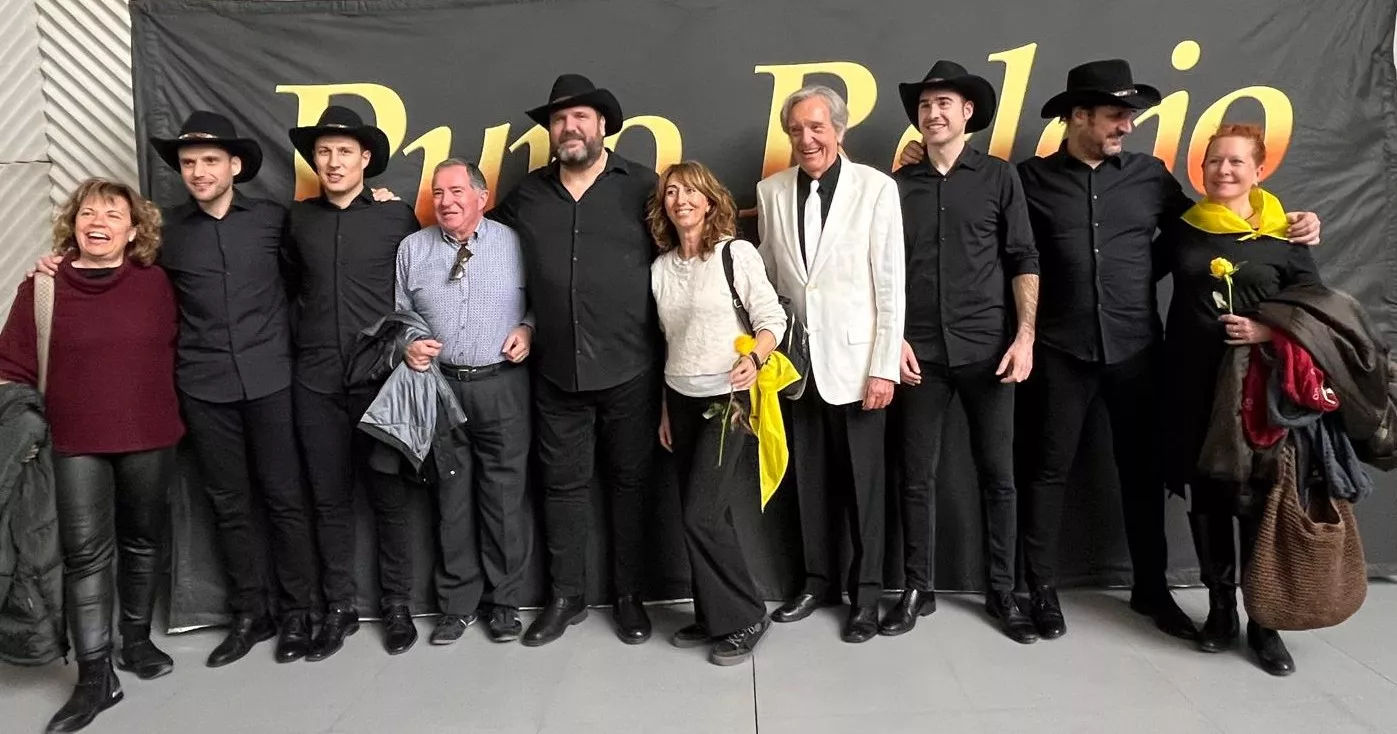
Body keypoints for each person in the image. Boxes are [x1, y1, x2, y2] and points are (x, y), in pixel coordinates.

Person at [898, 58, 1320, 641]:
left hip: (1137, 350)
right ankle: (1038, 589)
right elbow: (979, 210)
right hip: (1058, 350)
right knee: (1044, 474)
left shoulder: (1150, 177)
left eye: (1129, 116)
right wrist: (922, 163)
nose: (1127, 125)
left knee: (1143, 475)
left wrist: (1290, 220)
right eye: (1117, 115)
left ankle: (1151, 589)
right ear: (1078, 117)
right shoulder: (1028, 179)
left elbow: (1210, 230)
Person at [0, 178, 182, 733]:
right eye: (87, 212)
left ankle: (135, 640)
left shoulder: (155, 284)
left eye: (112, 213)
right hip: (75, 439)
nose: (97, 221)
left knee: (144, 541)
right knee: (85, 555)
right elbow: (11, 367)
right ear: (73, 223)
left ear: (133, 230)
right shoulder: (44, 287)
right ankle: (95, 675)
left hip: (150, 434)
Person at [490, 74, 661, 647]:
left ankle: (631, 597)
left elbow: (686, 261)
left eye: (580, 117)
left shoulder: (643, 187)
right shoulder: (526, 197)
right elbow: (491, 260)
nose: (569, 127)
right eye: (559, 120)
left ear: (603, 125)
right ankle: (566, 597)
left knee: (629, 484)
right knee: (562, 487)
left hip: (631, 367)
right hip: (557, 371)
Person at [147, 111, 319, 666]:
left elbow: (300, 280)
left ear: (235, 166)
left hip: (271, 378)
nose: (197, 172)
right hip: (203, 385)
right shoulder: (166, 233)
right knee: (228, 504)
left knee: (284, 499)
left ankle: (298, 614)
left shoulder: (272, 221)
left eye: (209, 161)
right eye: (189, 163)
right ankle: (251, 613)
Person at [884, 61, 1040, 644]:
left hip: (989, 351)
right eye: (925, 106)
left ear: (967, 112)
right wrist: (891, 336)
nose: (934, 113)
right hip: (920, 354)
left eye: (944, 103)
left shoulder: (999, 178)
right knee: (915, 478)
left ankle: (1003, 591)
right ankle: (916, 588)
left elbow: (1024, 258)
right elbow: (883, 271)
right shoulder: (896, 187)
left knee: (999, 478)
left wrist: (1025, 337)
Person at [1160, 124, 1320, 676]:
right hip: (1191, 383)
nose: (1223, 171)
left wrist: (1265, 333)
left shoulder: (1285, 237)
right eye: (1213, 162)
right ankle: (1221, 611)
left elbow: (1316, 314)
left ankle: (1264, 622)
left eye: (1235, 162)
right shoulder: (1183, 229)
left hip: (1259, 390)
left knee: (1257, 500)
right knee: (1207, 494)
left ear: (1259, 170)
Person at [759, 85, 905, 643]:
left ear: (839, 132)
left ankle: (866, 596)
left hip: (858, 363)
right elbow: (773, 281)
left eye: (816, 128)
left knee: (864, 489)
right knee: (810, 485)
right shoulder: (770, 191)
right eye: (796, 130)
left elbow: (890, 283)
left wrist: (884, 365)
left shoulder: (875, 189)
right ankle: (817, 582)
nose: (806, 139)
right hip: (799, 367)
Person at [284, 106, 422, 660]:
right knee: (328, 500)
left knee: (390, 500)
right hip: (314, 381)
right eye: (323, 152)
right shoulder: (297, 221)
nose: (333, 161)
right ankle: (338, 607)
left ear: (366, 159)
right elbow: (290, 285)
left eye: (344, 151)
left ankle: (396, 605)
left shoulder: (396, 218)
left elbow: (419, 286)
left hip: (381, 380)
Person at [649, 161, 784, 665]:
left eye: (691, 191)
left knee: (699, 514)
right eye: (671, 192)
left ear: (710, 201)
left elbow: (772, 317)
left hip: (728, 402)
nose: (680, 199)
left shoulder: (736, 254)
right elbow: (668, 344)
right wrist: (665, 407)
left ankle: (745, 615)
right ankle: (712, 614)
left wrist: (754, 357)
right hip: (680, 400)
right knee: (709, 514)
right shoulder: (661, 268)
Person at [395, 159, 534, 645]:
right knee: (450, 498)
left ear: (481, 196)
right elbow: (400, 314)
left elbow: (545, 297)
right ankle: (456, 606)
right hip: (440, 386)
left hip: (503, 385)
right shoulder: (412, 248)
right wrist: (409, 342)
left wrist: (528, 327)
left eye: (456, 191)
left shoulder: (515, 243)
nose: (445, 201)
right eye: (437, 193)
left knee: (503, 498)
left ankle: (505, 603)